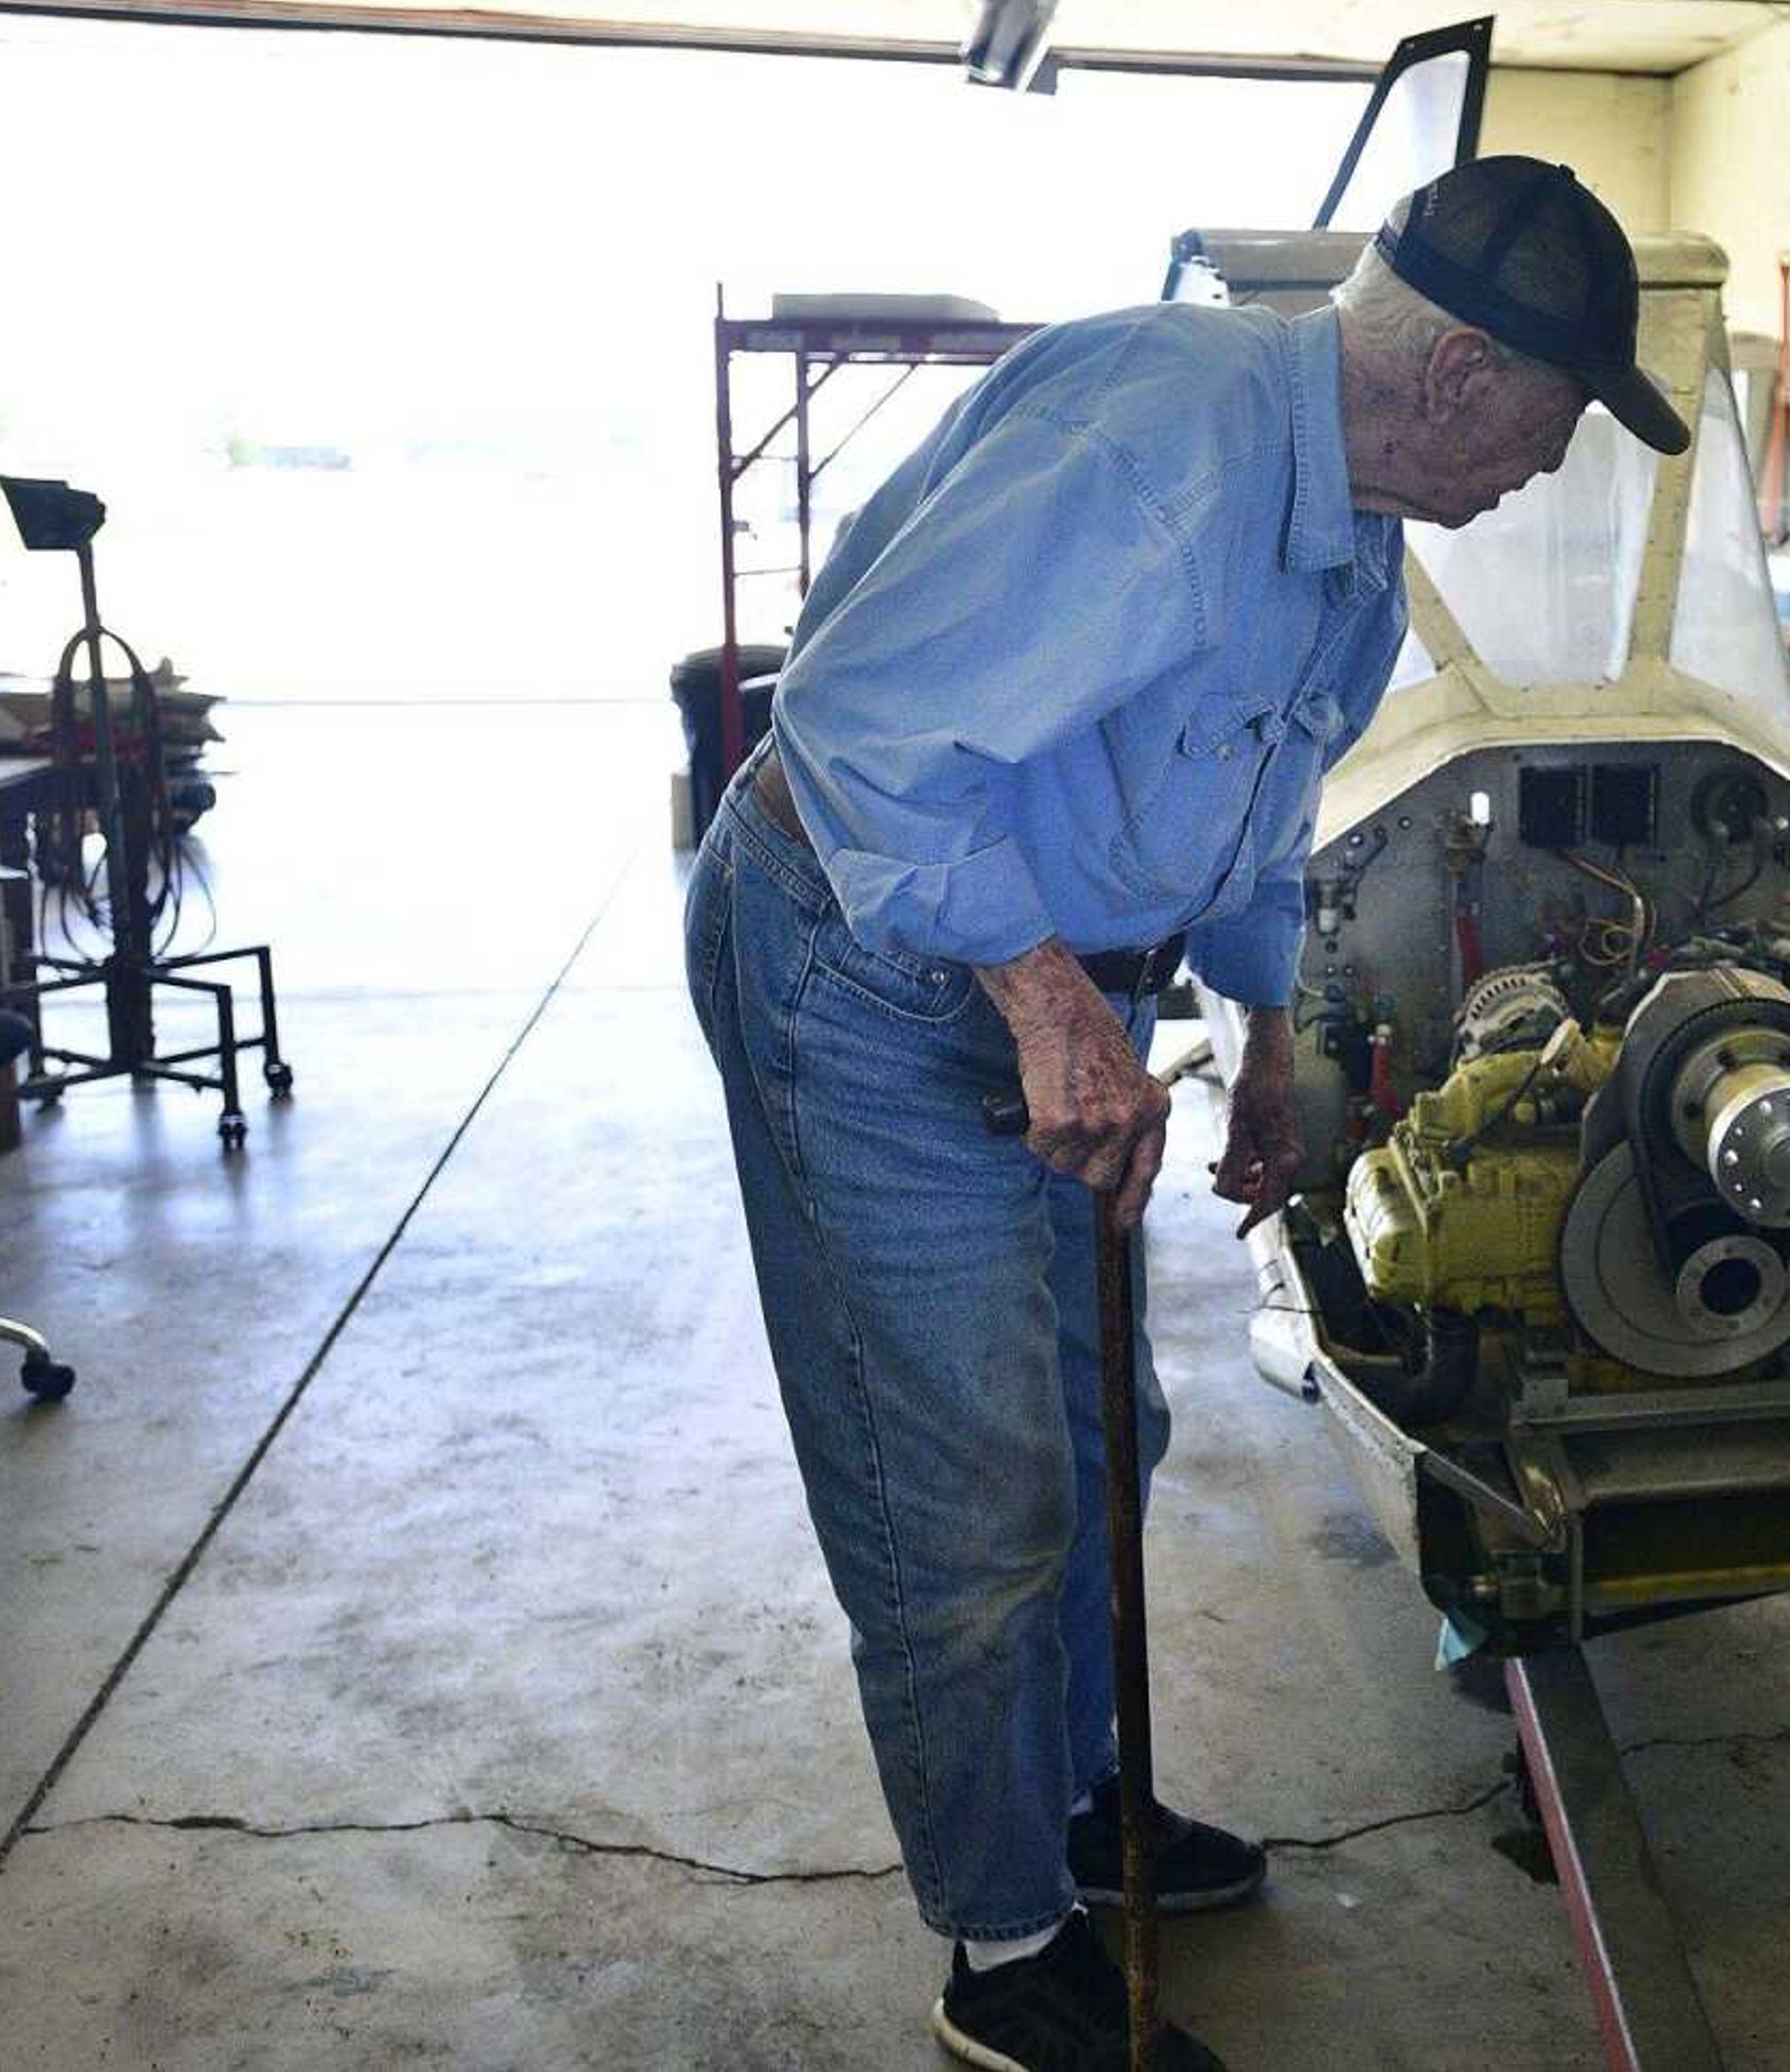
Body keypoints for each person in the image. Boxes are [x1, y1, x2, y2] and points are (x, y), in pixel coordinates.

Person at [684, 156, 1688, 2072]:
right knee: (965, 1483)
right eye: (1558, 427)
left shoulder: (1357, 540)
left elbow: (1257, 806)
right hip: (874, 967)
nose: (1550, 474)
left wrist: (1270, 1029)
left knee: (1093, 1427)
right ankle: (1002, 1943)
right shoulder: (1167, 459)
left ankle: (1071, 1804)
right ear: (1464, 372)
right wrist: (1049, 1001)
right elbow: (862, 731)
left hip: (1043, 966)